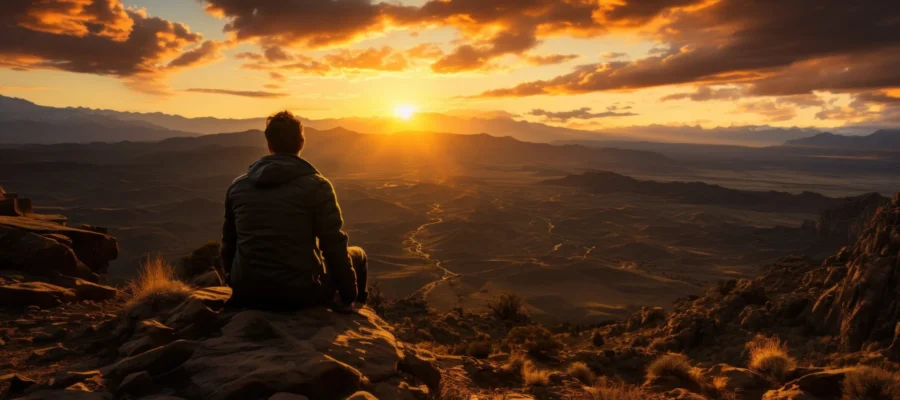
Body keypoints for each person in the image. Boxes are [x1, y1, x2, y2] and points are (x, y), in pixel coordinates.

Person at [221, 111, 367, 311]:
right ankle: (355, 311)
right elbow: (333, 244)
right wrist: (349, 294)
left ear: (269, 144)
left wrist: (232, 280)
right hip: (299, 293)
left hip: (246, 291)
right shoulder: (318, 186)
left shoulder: (238, 187)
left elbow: (229, 243)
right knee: (358, 255)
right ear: (301, 143)